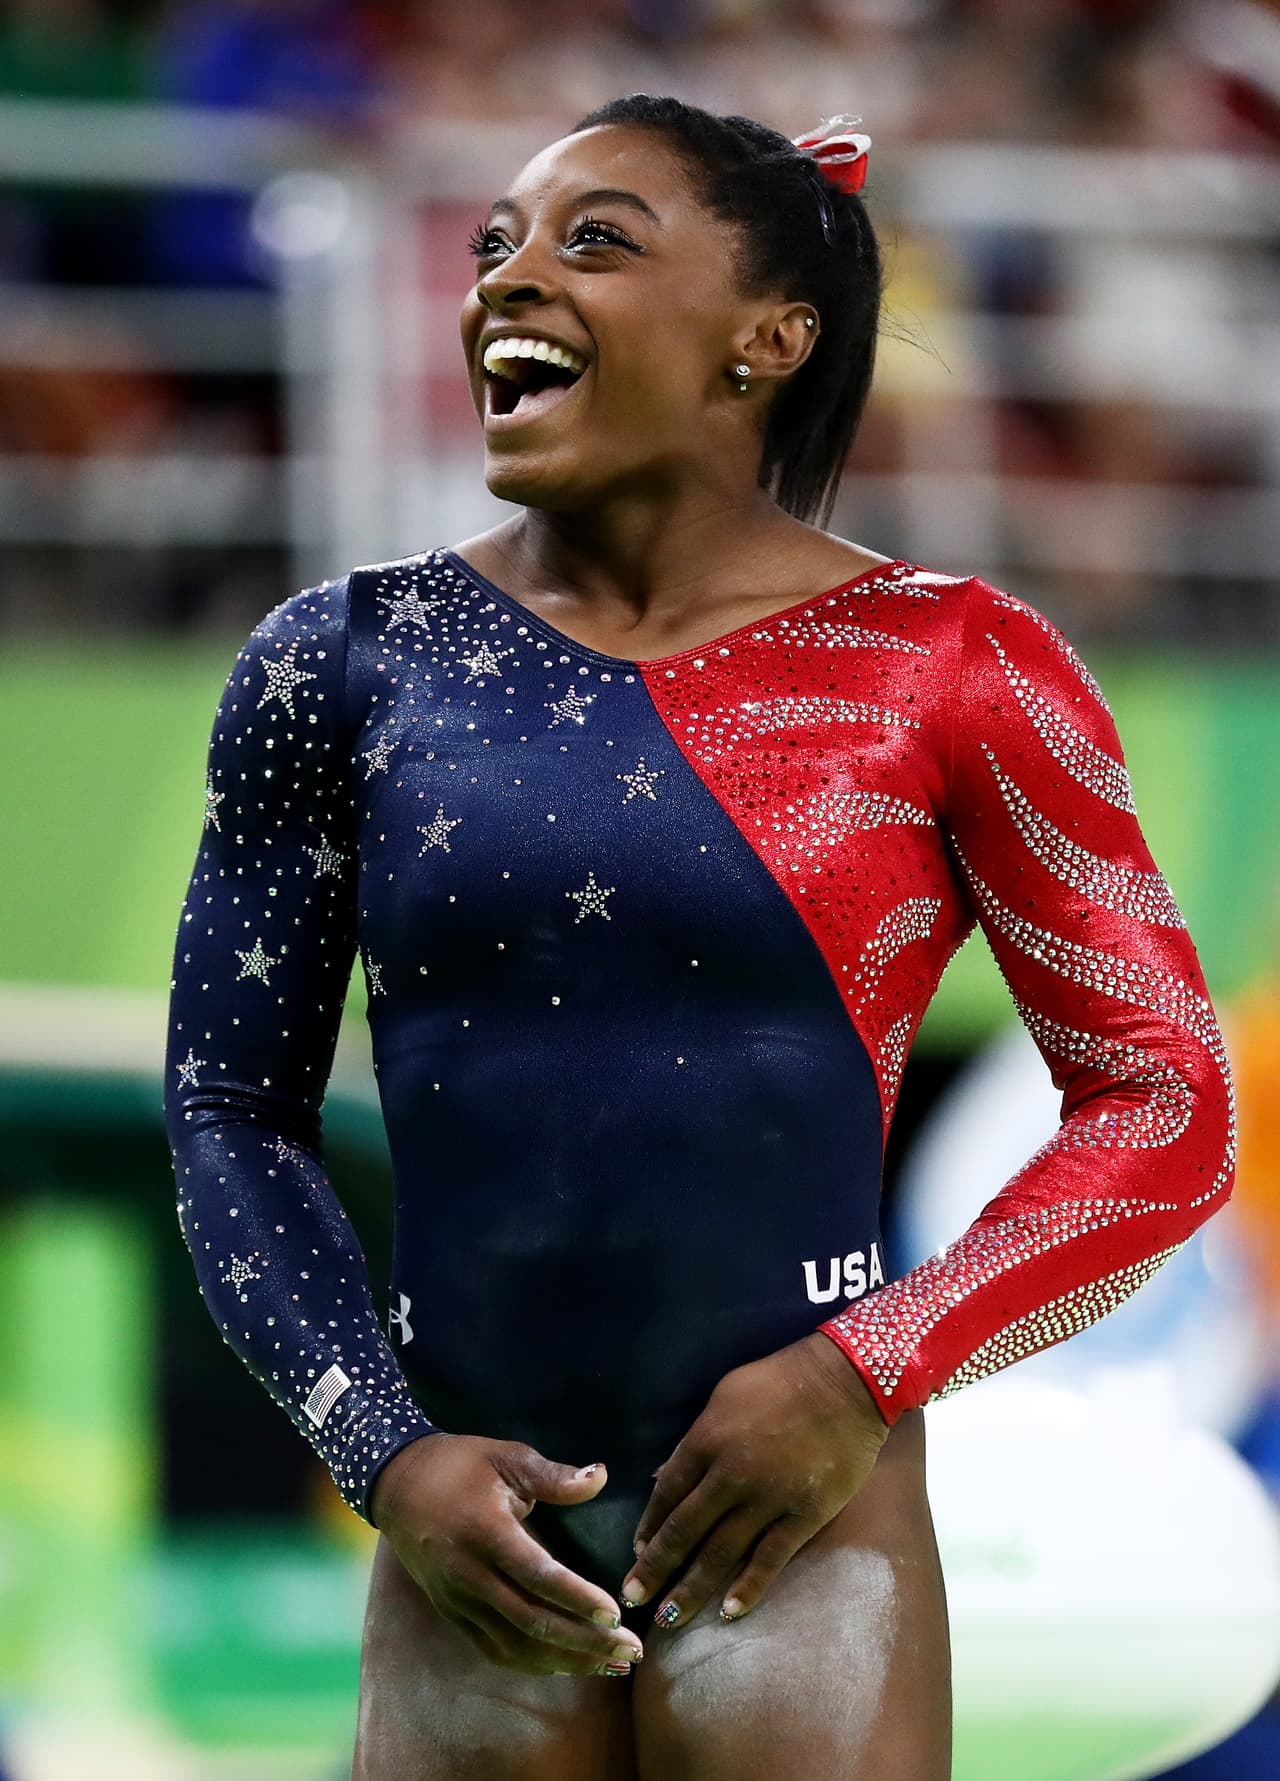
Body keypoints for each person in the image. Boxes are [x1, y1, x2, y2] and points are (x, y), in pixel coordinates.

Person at [162, 95, 1236, 1780]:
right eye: (492, 246)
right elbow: (231, 1110)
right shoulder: (340, 660)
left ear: (769, 337)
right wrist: (381, 1450)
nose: (510, 281)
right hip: (470, 1533)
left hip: (801, 1525)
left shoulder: (951, 663)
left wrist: (867, 1369)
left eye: (595, 239)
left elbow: (1169, 1102)